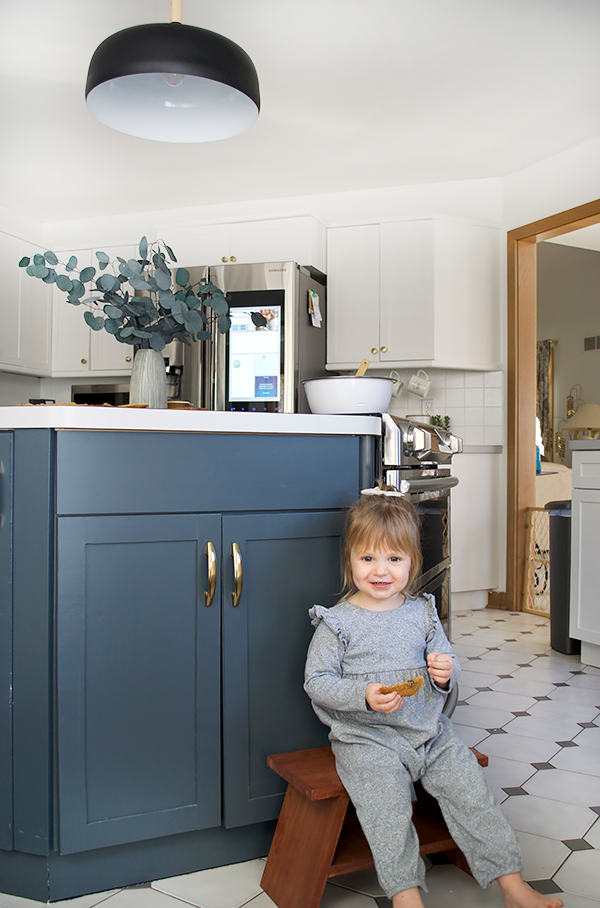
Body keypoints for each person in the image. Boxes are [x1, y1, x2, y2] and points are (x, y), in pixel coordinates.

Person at [304, 486, 564, 908]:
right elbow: (316, 681)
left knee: (472, 794)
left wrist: (445, 672)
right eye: (367, 558)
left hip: (428, 730)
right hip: (366, 739)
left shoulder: (421, 611)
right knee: (387, 811)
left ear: (412, 561)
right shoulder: (337, 624)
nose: (380, 570)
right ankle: (407, 896)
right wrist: (363, 695)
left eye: (393, 558)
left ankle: (511, 884)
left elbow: (446, 661)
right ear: (349, 560)